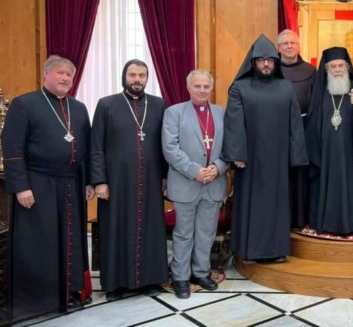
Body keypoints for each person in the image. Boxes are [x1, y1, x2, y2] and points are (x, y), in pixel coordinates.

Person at [1, 55, 93, 317]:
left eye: (69, 74)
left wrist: (88, 181)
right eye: (59, 73)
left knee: (70, 240)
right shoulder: (24, 104)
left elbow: (86, 149)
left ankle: (69, 291)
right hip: (38, 184)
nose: (65, 78)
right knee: (41, 242)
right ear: (46, 74)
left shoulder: (78, 108)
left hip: (71, 185)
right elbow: (12, 148)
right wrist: (21, 186)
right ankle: (40, 298)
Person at [223, 34, 308, 262]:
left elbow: (295, 123)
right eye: (261, 60)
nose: (266, 64)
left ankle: (276, 250)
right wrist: (237, 154)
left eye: (270, 60)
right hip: (250, 159)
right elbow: (234, 122)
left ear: (276, 62)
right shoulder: (239, 88)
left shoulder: (285, 87)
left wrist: (296, 156)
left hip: (279, 158)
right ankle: (250, 250)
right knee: (253, 204)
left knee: (277, 205)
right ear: (253, 62)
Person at [90, 59, 168, 301]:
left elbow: (166, 144)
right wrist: (100, 181)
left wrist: (165, 177)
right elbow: (96, 146)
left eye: (142, 75)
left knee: (151, 229)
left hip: (151, 180)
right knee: (115, 230)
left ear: (147, 78)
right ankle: (115, 284)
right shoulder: (107, 104)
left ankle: (150, 280)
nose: (137, 80)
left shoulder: (159, 104)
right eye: (133, 75)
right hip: (116, 182)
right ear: (124, 76)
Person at [162, 70, 228, 299]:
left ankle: (200, 272)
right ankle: (180, 276)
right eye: (197, 86)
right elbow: (170, 148)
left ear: (211, 88)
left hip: (214, 182)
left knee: (206, 232)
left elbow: (231, 147)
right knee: (183, 233)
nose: (202, 90)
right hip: (186, 182)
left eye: (205, 86)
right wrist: (195, 171)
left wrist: (218, 167)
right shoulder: (174, 113)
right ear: (188, 88)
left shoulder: (221, 113)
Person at [305, 47, 353, 235]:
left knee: (346, 185)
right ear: (327, 69)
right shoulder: (320, 91)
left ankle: (346, 224)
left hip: (347, 150)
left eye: (341, 66)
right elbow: (312, 121)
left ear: (347, 67)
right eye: (333, 66)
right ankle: (324, 223)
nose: (337, 70)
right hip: (325, 151)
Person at [277, 29, 317, 228]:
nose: (289, 46)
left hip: (304, 129)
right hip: (277, 130)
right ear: (278, 48)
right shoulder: (270, 70)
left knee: (301, 174)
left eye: (293, 43)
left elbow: (317, 102)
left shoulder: (311, 71)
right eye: (285, 43)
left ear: (299, 46)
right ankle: (280, 217)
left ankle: (300, 219)